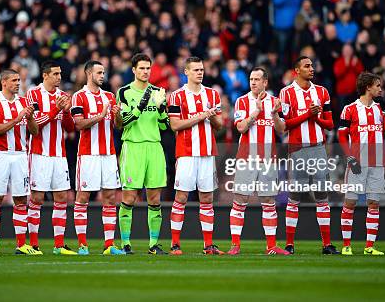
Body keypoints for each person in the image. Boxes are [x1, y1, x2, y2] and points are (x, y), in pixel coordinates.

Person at [279, 56, 339, 255]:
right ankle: (289, 244)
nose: (311, 68)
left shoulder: (322, 92)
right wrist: (308, 115)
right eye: (307, 66)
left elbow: (330, 124)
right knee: (295, 196)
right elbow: (285, 125)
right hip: (296, 149)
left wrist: (317, 118)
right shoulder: (286, 93)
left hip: (318, 148)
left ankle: (326, 244)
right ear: (297, 70)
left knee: (322, 195)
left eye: (312, 65)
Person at [227, 67, 290, 255]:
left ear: (265, 82)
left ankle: (271, 246)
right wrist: (256, 112)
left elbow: (281, 130)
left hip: (268, 159)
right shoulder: (241, 101)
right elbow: (240, 128)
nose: (253, 82)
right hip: (246, 158)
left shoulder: (275, 102)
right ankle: (235, 245)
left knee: (269, 201)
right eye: (251, 79)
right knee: (240, 200)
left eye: (257, 79)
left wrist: (276, 114)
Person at [167, 57, 223, 255]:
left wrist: (211, 115)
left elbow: (220, 125)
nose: (200, 72)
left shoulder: (213, 94)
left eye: (202, 69)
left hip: (207, 152)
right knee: (181, 197)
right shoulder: (176, 96)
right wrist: (200, 116)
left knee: (207, 198)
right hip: (186, 153)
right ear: (187, 72)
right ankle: (175, 244)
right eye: (196, 70)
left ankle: (208, 245)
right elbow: (174, 125)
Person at [337, 72, 385, 255]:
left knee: (373, 204)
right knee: (350, 203)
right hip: (357, 164)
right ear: (368, 87)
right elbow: (341, 135)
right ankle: (346, 245)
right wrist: (350, 157)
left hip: (377, 164)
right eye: (378, 85)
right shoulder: (349, 109)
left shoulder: (380, 109)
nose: (381, 89)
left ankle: (369, 247)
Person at [116, 54, 168, 255]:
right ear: (134, 70)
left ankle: (153, 245)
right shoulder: (124, 92)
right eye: (142, 68)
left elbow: (164, 125)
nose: (146, 71)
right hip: (133, 146)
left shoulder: (158, 91)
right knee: (129, 197)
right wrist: (140, 106)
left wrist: (162, 107)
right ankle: (126, 244)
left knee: (154, 198)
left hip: (154, 147)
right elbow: (122, 123)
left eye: (148, 68)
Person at [71, 61, 125, 255]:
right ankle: (82, 244)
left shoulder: (110, 97)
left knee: (110, 198)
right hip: (88, 155)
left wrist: (116, 115)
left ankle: (109, 245)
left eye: (104, 72)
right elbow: (79, 124)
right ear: (88, 73)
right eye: (99, 72)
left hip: (109, 154)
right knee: (83, 197)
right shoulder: (79, 97)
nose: (103, 75)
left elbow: (117, 125)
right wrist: (101, 115)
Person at [0, 68, 40, 255]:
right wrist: (17, 118)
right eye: (14, 80)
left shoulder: (24, 102)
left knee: (21, 199)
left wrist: (30, 117)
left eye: (19, 80)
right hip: (1, 155)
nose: (18, 83)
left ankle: (21, 245)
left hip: (20, 155)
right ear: (4, 82)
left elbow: (34, 132)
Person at [25, 61, 77, 255]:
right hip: (39, 153)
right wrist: (56, 109)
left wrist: (65, 112)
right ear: (45, 75)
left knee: (61, 197)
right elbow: (35, 125)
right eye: (55, 74)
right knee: (37, 198)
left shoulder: (63, 96)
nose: (59, 77)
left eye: (60, 73)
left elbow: (70, 128)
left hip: (59, 154)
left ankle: (59, 245)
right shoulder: (33, 94)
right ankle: (34, 244)